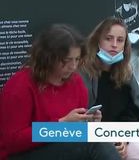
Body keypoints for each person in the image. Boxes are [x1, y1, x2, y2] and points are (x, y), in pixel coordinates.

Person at [0, 24, 119, 159]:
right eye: (66, 61)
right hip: (22, 154)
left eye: (77, 59)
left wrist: (90, 124)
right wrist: (61, 125)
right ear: (48, 58)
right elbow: (13, 141)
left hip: (62, 148)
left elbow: (75, 133)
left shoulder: (76, 83)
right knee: (94, 145)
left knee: (101, 143)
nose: (73, 66)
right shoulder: (20, 85)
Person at [80, 18, 139, 159]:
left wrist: (123, 138)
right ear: (98, 41)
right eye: (109, 39)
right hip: (94, 139)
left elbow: (133, 113)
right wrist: (108, 140)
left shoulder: (126, 73)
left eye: (120, 40)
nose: (114, 45)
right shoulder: (82, 72)